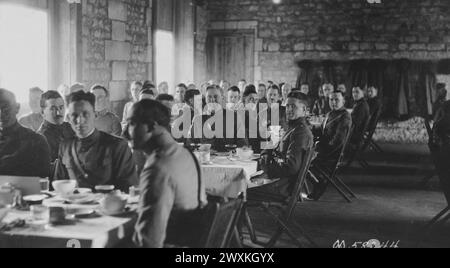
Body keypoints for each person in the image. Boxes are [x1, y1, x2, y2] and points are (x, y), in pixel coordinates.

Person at [125, 99, 207, 248]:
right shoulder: (187, 154)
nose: (125, 132)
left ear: (151, 126)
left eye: (131, 123)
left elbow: (149, 241)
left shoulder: (158, 167)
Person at [57, 91, 138, 191]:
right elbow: (59, 184)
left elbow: (128, 188)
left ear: (95, 115)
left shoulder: (117, 146)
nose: (80, 121)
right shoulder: (65, 146)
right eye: (74, 116)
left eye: (85, 114)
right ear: (68, 118)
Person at [248, 92, 313, 201]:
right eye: (287, 106)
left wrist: (267, 170)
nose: (289, 109)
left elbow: (291, 166)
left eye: (293, 106)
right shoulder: (293, 128)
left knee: (238, 188)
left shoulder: (300, 133)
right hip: (279, 180)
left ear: (304, 110)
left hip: (283, 186)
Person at [309, 90, 352, 200]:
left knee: (302, 160)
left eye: (337, 99)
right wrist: (309, 128)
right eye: (331, 99)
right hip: (325, 150)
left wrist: (318, 150)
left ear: (343, 101)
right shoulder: (330, 113)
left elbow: (337, 142)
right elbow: (322, 130)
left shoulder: (344, 116)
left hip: (332, 154)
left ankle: (318, 183)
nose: (333, 102)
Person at [0, 88, 51, 178]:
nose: (1, 114)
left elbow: (42, 182)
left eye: (5, 108)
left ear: (17, 107)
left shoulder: (36, 141)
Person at [188, 85, 248, 152]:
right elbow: (190, 144)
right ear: (205, 99)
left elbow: (243, 144)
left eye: (216, 96)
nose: (212, 100)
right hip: (205, 159)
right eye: (209, 97)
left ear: (222, 98)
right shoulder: (198, 119)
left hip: (228, 160)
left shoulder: (234, 117)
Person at [38, 91, 75, 162]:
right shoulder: (41, 138)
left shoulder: (70, 128)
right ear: (42, 112)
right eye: (53, 108)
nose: (58, 112)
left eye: (61, 107)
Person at [348, 86, 370, 150]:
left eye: (357, 92)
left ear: (363, 92)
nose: (354, 94)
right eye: (353, 92)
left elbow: (355, 123)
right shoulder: (360, 103)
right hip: (354, 132)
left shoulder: (361, 106)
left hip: (354, 136)